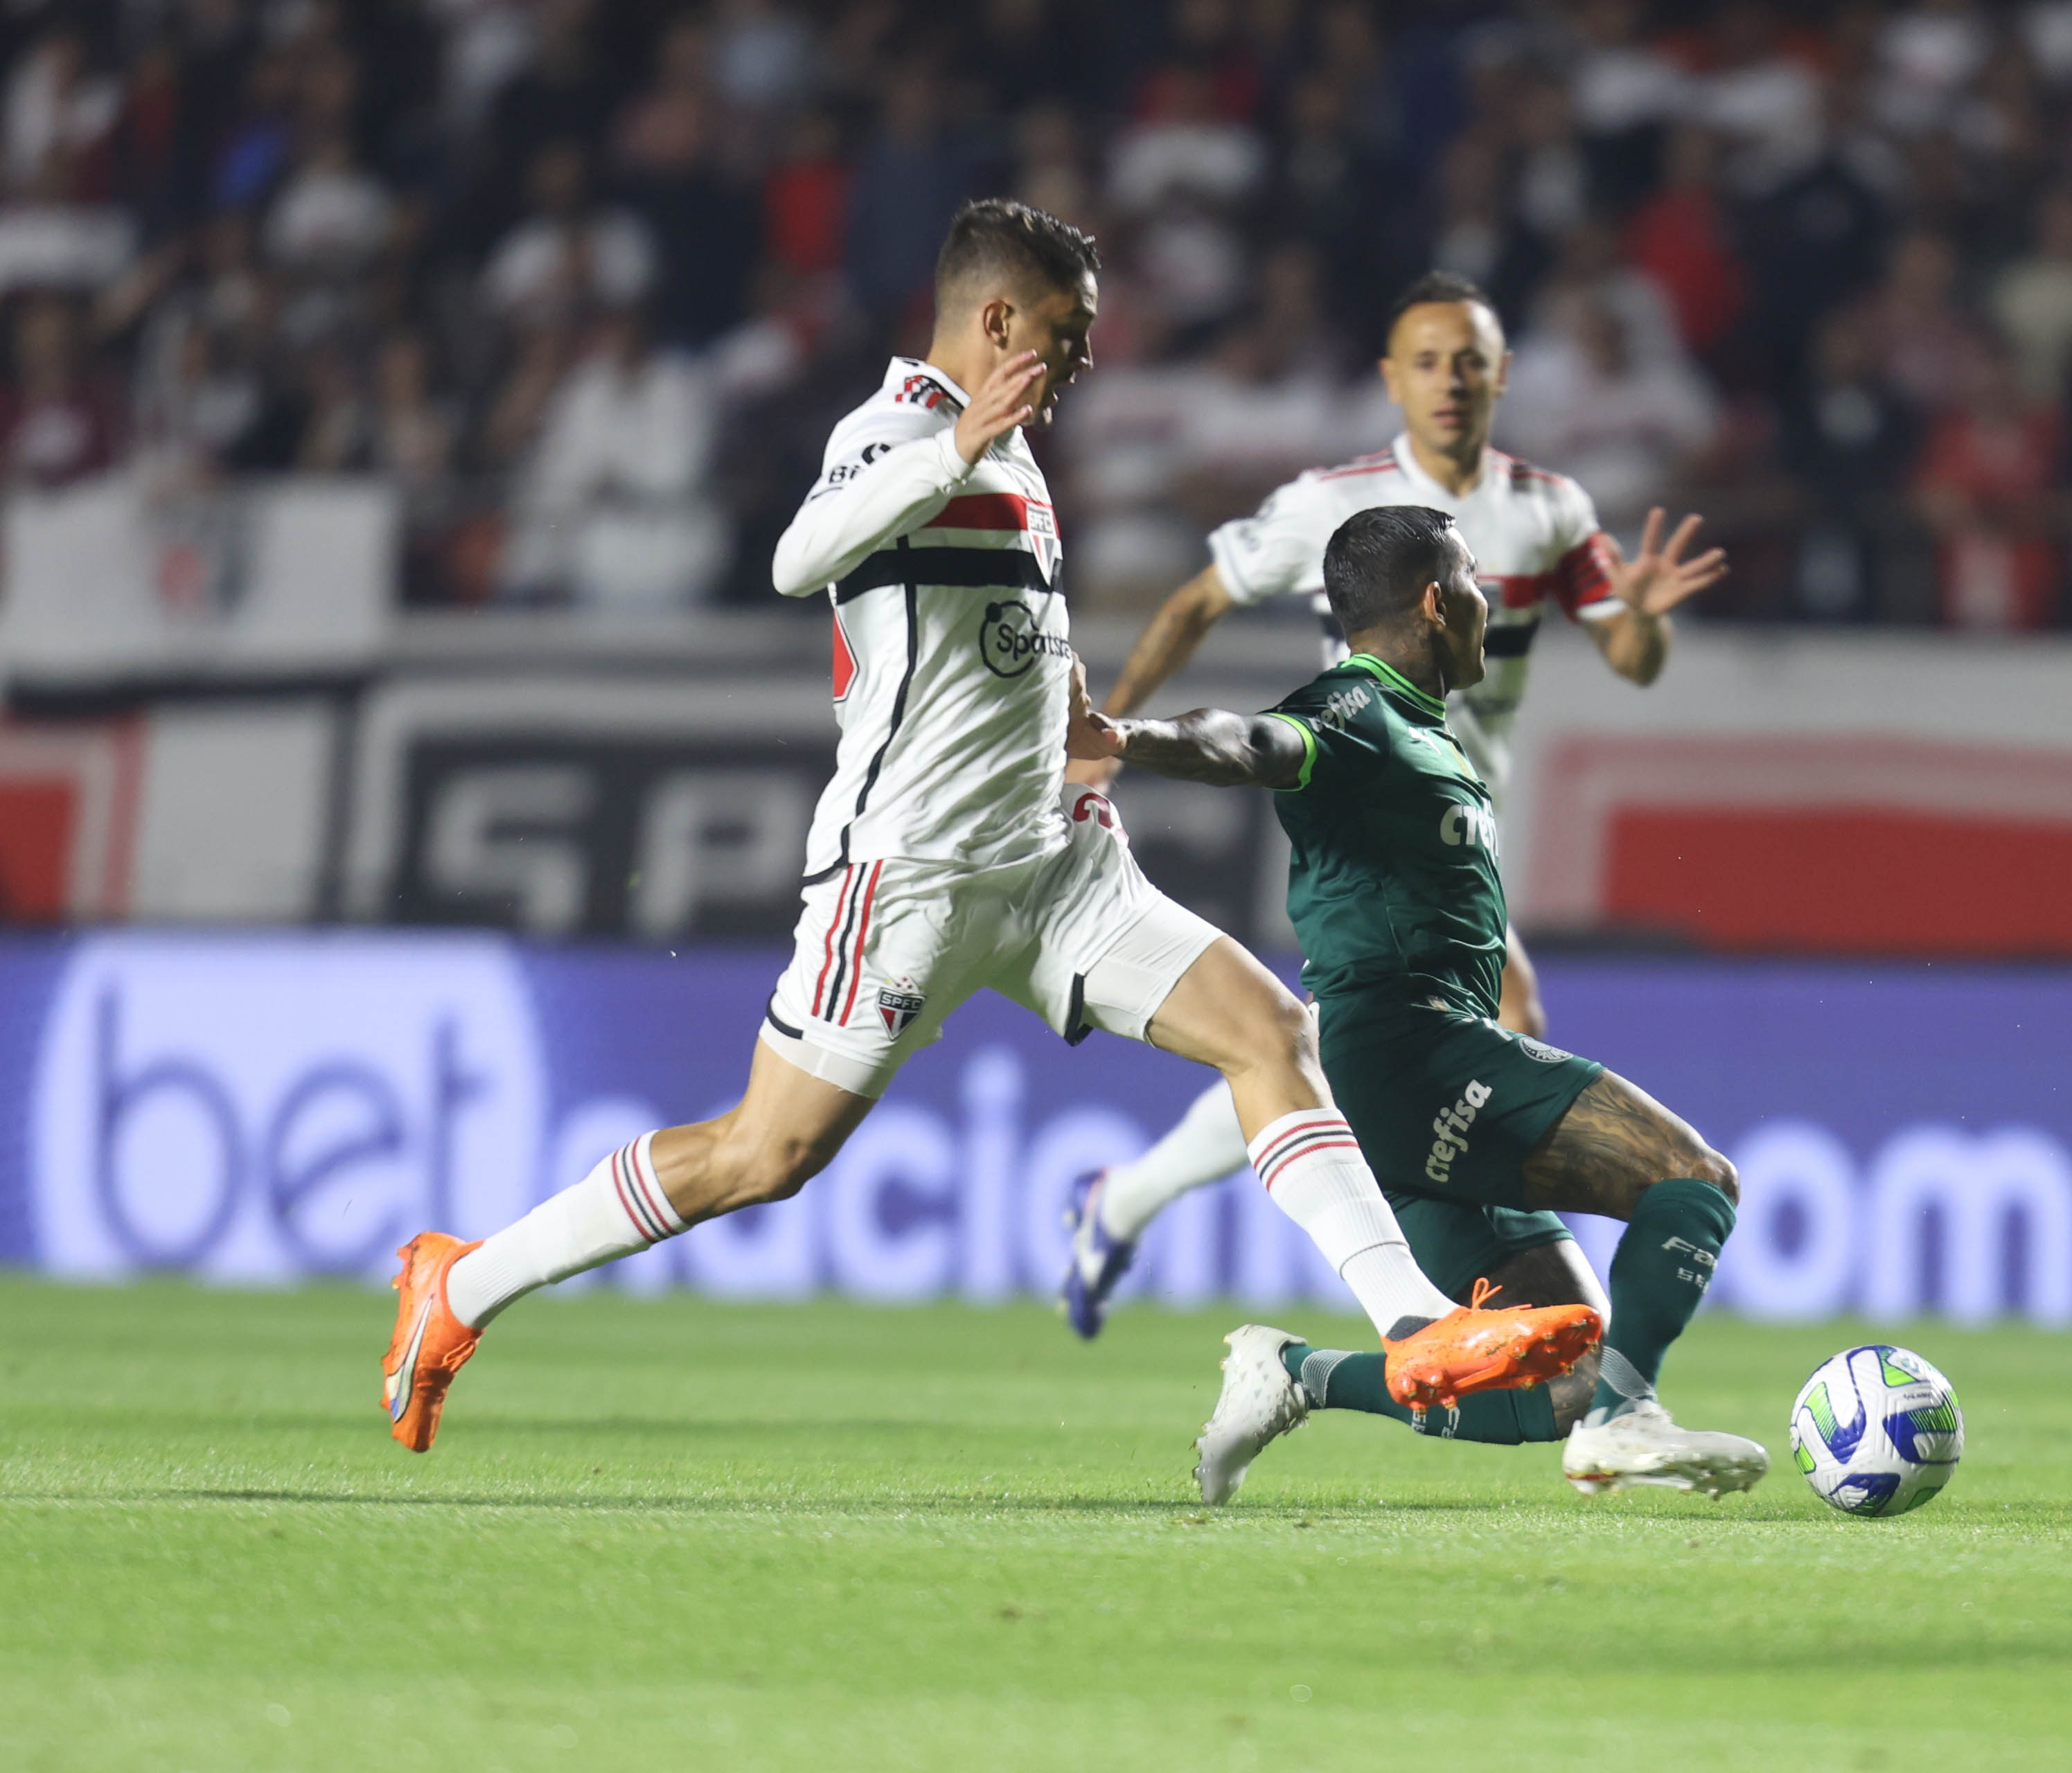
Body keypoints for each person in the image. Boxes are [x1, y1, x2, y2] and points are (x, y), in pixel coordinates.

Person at [379, 202, 1601, 1454]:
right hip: (913, 873)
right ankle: (459, 1286)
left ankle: (1414, 1326)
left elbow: (998, 645)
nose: (1081, 360)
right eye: (1068, 334)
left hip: (1055, 860)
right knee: (764, 1154)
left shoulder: (1009, 451)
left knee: (1269, 1032)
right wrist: (948, 449)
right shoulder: (899, 429)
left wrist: (1067, 732)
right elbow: (798, 562)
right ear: (999, 318)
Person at [1058, 269, 1728, 1339]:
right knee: (1452, 1034)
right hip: (1367, 824)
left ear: (1504, 374)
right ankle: (1499, 1305)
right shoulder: (1337, 501)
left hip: (1458, 833)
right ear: (1392, 378)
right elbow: (1198, 600)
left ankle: (1125, 1202)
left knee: (1334, 1044)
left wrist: (1643, 619)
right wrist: (1113, 742)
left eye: (1470, 361)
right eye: (1427, 362)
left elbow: (1630, 655)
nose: (1450, 381)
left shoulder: (1548, 511)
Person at [1069, 505, 1766, 1502]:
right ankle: (1630, 1419)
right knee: (1693, 1181)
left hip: (1399, 1078)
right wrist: (1126, 737)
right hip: (1414, 1053)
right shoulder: (1357, 712)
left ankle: (1300, 1375)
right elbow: (1251, 741)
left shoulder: (1421, 729)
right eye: (1477, 582)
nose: (1490, 602)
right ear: (1438, 602)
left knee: (1554, 1378)